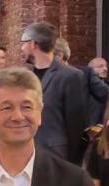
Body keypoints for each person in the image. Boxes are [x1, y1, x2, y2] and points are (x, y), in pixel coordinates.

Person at [20, 22, 88, 164]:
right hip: (25, 154)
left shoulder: (71, 76)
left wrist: (72, 162)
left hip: (57, 156)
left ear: (33, 44)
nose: (22, 48)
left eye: (23, 43)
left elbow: (76, 124)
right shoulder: (24, 75)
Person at [55, 38, 109, 127]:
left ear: (59, 56)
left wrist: (102, 124)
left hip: (84, 135)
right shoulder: (44, 78)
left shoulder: (84, 74)